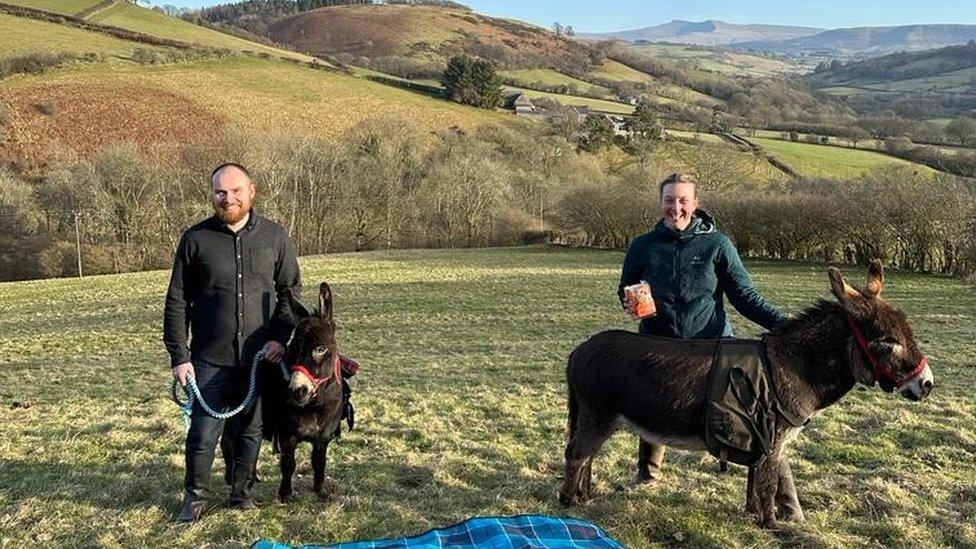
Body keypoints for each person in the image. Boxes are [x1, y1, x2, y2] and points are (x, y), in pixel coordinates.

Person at [617, 172, 787, 485]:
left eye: (683, 200)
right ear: (661, 203)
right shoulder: (642, 246)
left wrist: (785, 327)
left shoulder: (718, 245)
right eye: (669, 200)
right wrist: (629, 303)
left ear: (696, 203)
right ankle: (647, 475)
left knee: (749, 414)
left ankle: (777, 491)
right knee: (653, 406)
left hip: (713, 348)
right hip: (658, 343)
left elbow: (745, 297)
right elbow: (625, 287)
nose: (676, 207)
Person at [164, 162, 301, 522]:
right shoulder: (195, 240)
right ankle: (194, 499)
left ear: (251, 191)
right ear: (212, 195)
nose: (228, 199)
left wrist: (280, 339)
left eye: (236, 191)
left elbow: (290, 293)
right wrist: (180, 356)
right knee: (203, 435)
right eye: (220, 192)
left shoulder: (275, 237)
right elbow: (177, 299)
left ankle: (242, 494)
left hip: (261, 358)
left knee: (251, 431)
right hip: (209, 358)